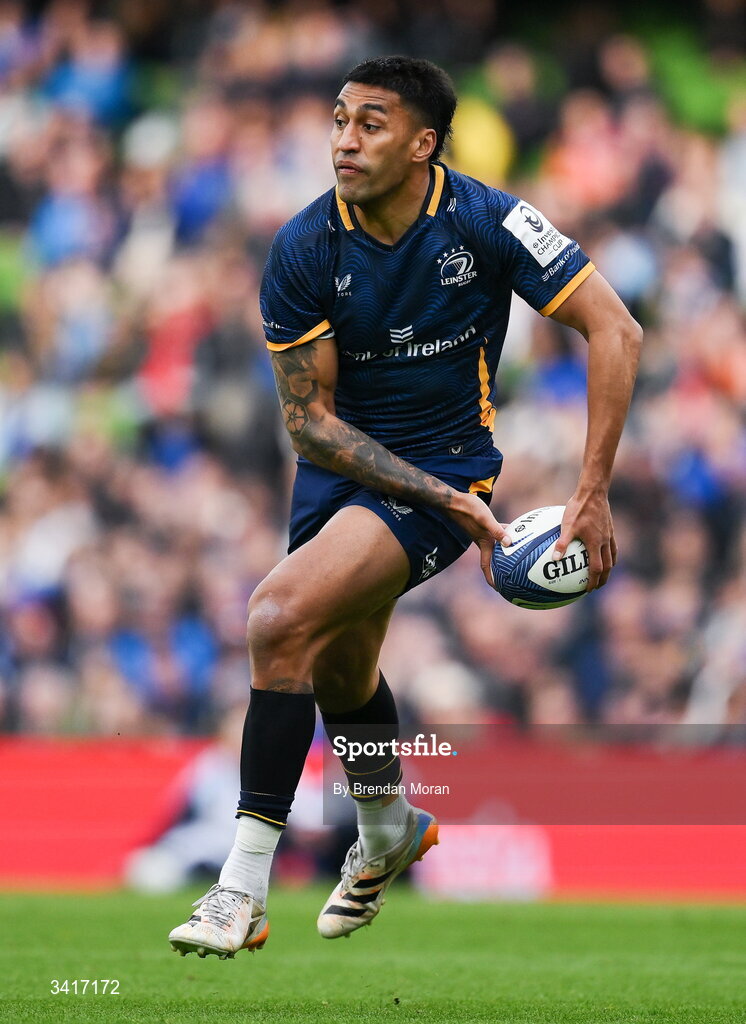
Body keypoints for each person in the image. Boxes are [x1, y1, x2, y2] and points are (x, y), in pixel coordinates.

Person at [168, 55, 642, 959]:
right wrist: (437, 503)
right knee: (341, 669)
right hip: (352, 473)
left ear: (424, 143)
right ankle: (388, 829)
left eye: (371, 124)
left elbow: (616, 328)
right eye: (339, 119)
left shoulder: (492, 220)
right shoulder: (305, 245)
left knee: (276, 618)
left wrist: (591, 492)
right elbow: (310, 424)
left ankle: (240, 889)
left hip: (450, 463)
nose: (345, 139)